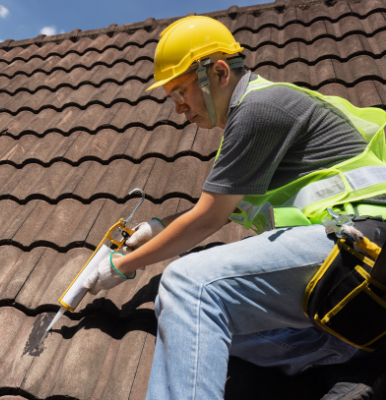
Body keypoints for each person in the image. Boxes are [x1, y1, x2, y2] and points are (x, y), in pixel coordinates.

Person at [82, 15, 386, 400]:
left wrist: (120, 267)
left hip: (364, 245)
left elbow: (209, 217)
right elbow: (228, 206)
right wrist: (156, 227)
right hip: (342, 271)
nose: (178, 109)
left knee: (186, 286)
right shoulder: (250, 123)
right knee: (195, 332)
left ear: (220, 72)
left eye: (181, 92)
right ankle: (353, 355)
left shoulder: (259, 108)